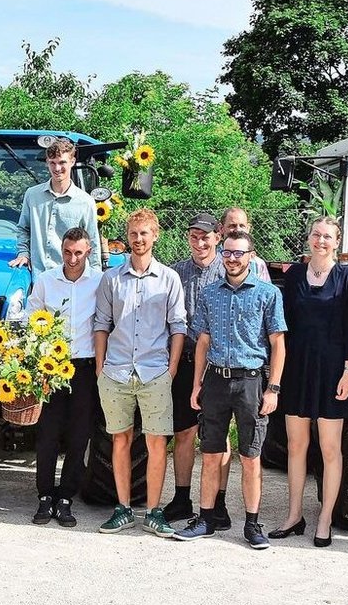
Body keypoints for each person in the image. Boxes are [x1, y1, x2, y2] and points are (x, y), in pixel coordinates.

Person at [174, 229, 286, 549]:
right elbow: (203, 342)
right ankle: (206, 518)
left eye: (239, 253)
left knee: (250, 457)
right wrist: (197, 384)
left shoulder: (268, 294)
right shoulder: (210, 293)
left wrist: (273, 388)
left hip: (251, 382)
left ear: (251, 256)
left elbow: (278, 344)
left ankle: (252, 525)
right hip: (215, 381)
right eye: (228, 253)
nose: (232, 259)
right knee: (211, 454)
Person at [92, 208, 187, 538]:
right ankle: (123, 509)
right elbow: (101, 324)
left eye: (144, 233)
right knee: (120, 439)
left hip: (155, 372)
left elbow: (178, 327)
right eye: (133, 233)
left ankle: (154, 512)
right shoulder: (111, 279)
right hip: (116, 372)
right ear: (127, 237)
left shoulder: (169, 279)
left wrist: (171, 368)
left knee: (157, 442)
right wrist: (100, 367)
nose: (138, 239)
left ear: (155, 235)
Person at [270, 215, 348, 547]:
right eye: (316, 235)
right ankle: (294, 516)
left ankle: (324, 520)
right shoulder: (294, 276)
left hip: (332, 371)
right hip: (297, 369)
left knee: (330, 449)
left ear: (337, 242)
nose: (321, 240)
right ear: (309, 239)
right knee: (296, 446)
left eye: (328, 236)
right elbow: (283, 325)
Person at [27, 227, 103, 527]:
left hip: (84, 367)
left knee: (78, 435)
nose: (72, 259)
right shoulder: (46, 281)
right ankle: (45, 496)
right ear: (62, 249)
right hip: (52, 367)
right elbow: (32, 319)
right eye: (68, 252)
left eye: (79, 253)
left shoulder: (99, 281)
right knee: (47, 434)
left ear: (88, 252)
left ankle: (66, 497)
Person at [164, 212, 226, 525]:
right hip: (186, 360)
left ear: (218, 236)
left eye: (205, 236)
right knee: (184, 431)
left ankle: (219, 503)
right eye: (194, 236)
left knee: (218, 435)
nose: (199, 242)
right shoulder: (176, 273)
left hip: (217, 364)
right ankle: (181, 498)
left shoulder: (228, 271)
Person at [9, 138, 101, 276]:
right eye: (52, 163)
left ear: (72, 162)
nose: (57, 168)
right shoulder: (32, 195)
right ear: (47, 163)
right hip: (38, 277)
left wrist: (96, 278)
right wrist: (23, 253)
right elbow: (23, 229)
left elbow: (92, 242)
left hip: (71, 279)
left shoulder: (85, 202)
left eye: (62, 162)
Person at [221, 207, 271, 281]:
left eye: (242, 226)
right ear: (221, 228)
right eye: (232, 226)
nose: (238, 229)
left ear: (248, 228)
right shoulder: (211, 260)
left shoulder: (257, 264)